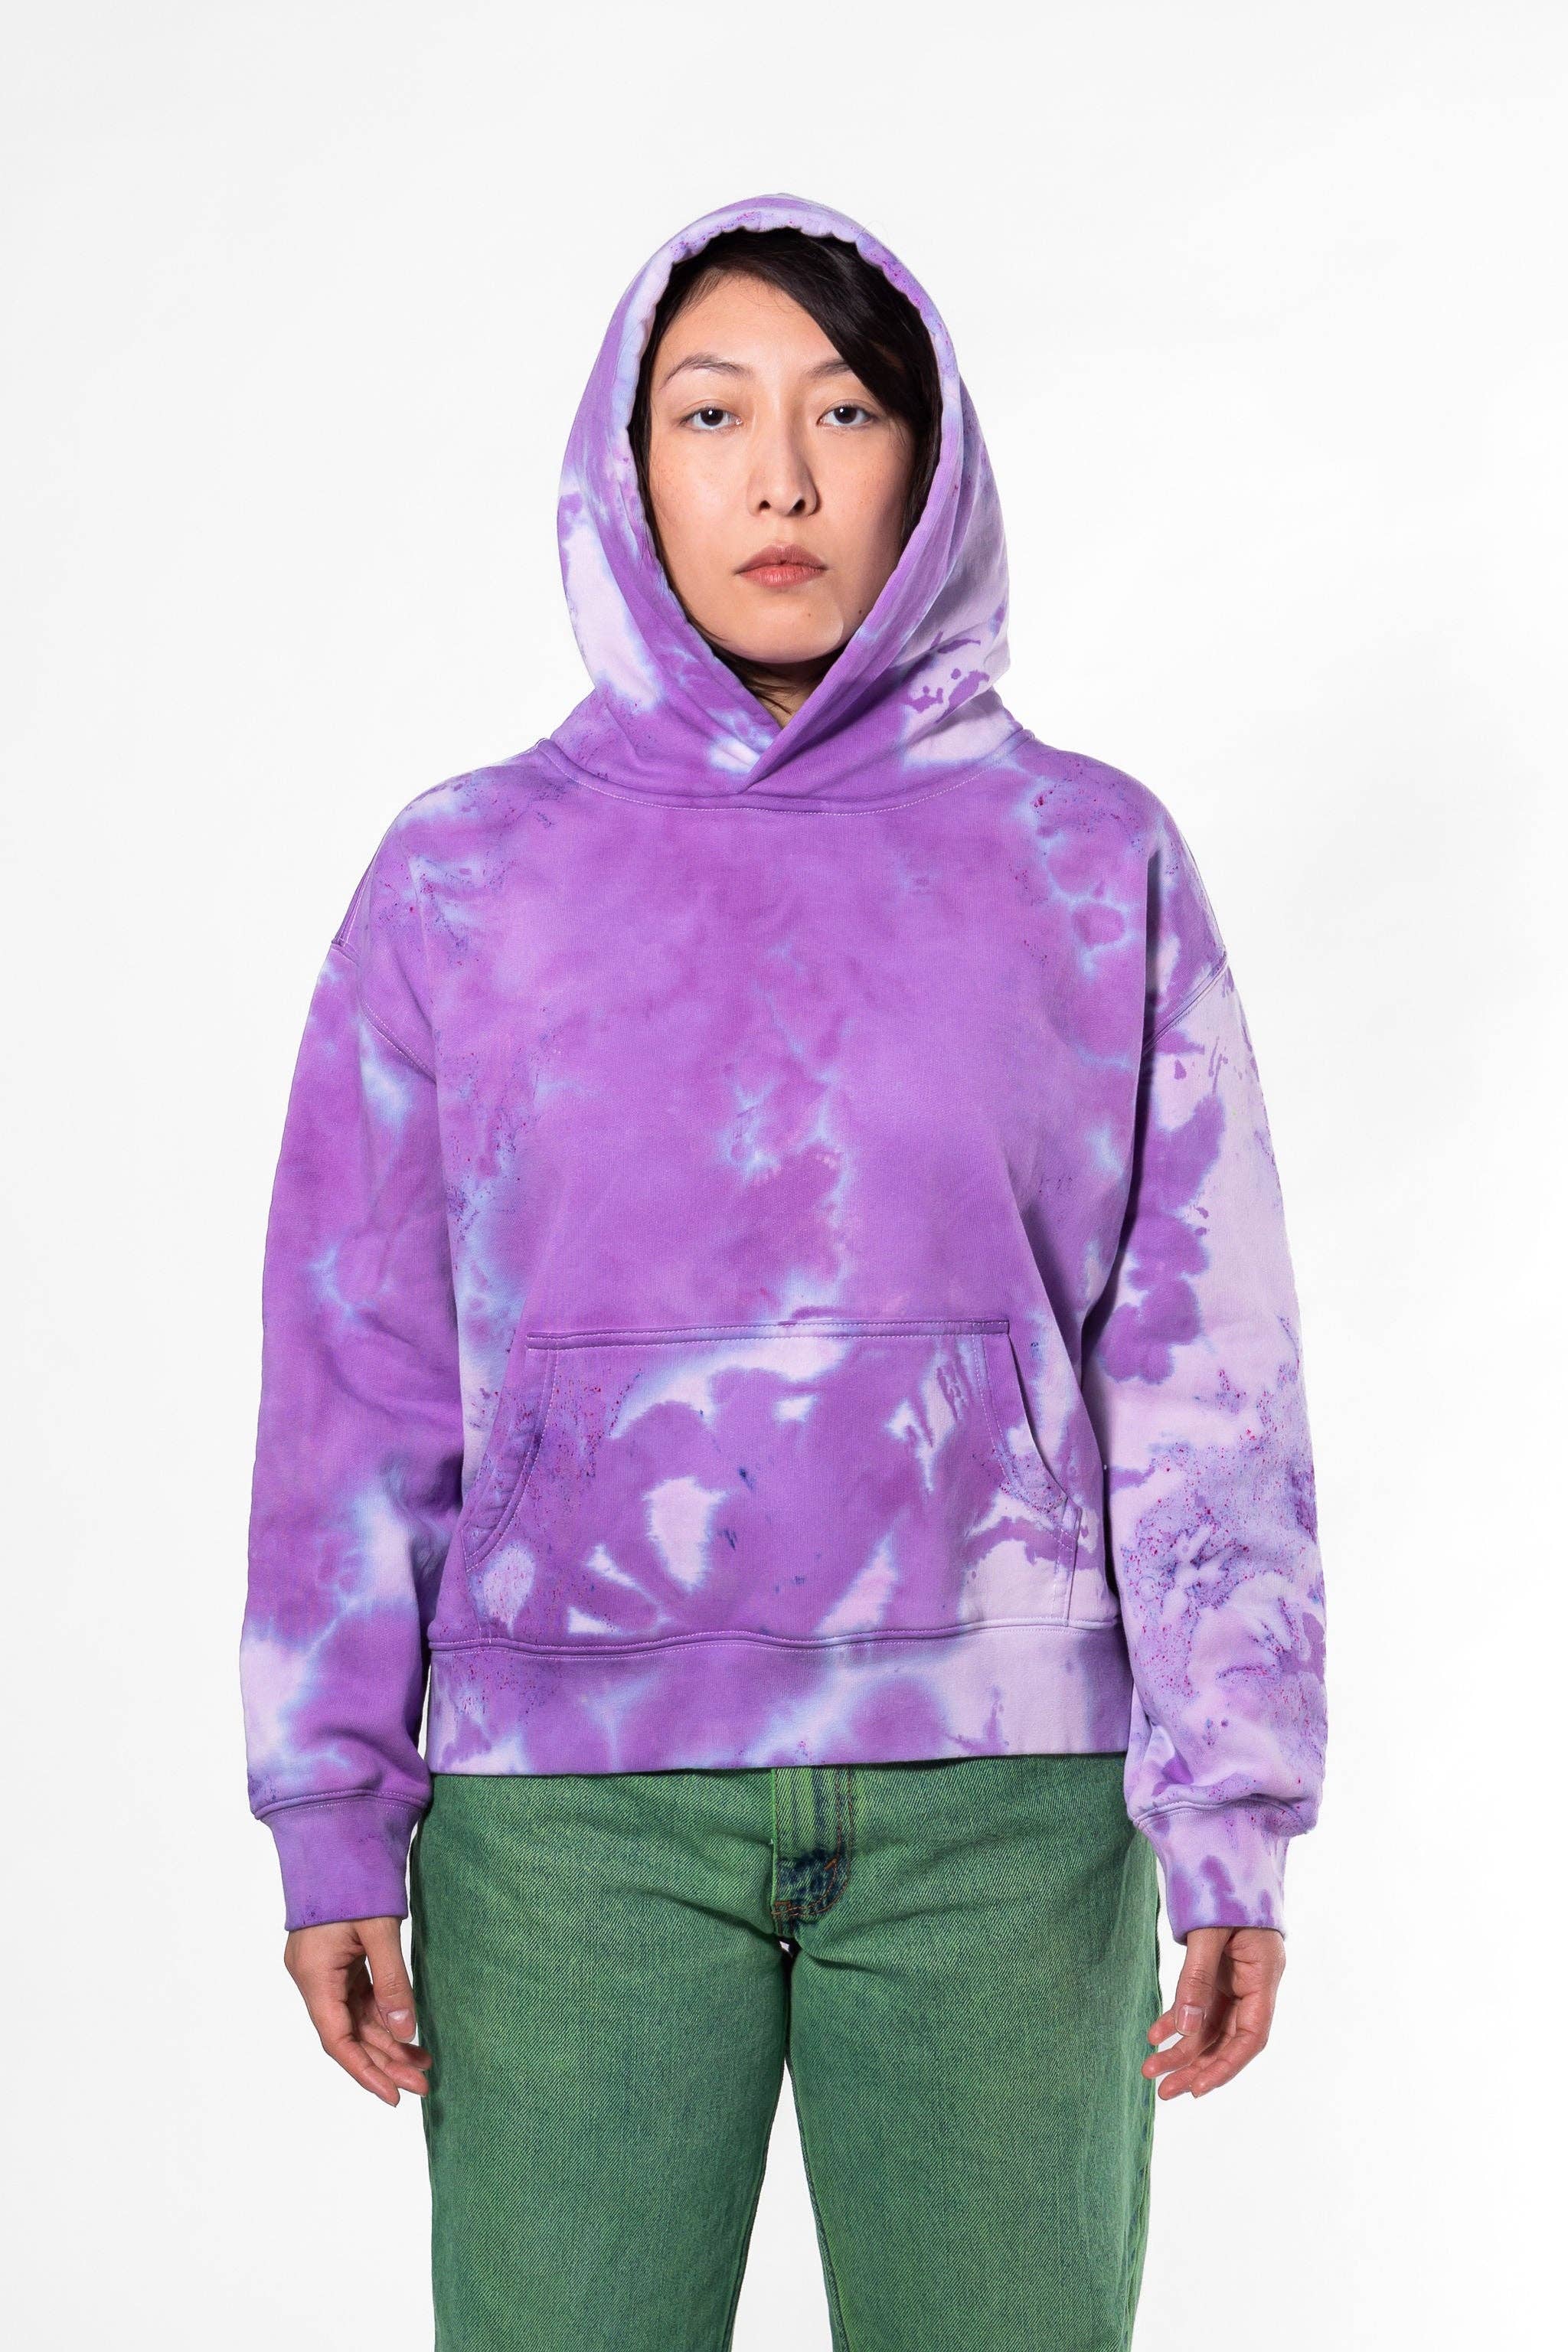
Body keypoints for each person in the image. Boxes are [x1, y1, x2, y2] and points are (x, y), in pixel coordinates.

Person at [240, 191, 1328, 2350]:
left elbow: (1202, 1365)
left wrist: (1234, 1806)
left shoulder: (1087, 858)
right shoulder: (464, 876)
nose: (783, 480)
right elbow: (359, 1374)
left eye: (845, 412)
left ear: (931, 464)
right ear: (626, 462)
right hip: (572, 1824)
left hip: (1005, 1807)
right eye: (713, 412)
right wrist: (330, 1805)